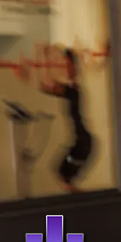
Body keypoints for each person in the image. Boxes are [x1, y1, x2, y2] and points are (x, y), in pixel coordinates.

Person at [40, 47, 94, 192]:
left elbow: (49, 86)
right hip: (81, 141)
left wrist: (45, 59)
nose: (64, 68)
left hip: (83, 141)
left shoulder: (73, 89)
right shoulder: (71, 89)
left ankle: (73, 198)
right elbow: (46, 87)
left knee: (62, 172)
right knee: (63, 174)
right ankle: (73, 195)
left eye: (66, 64)